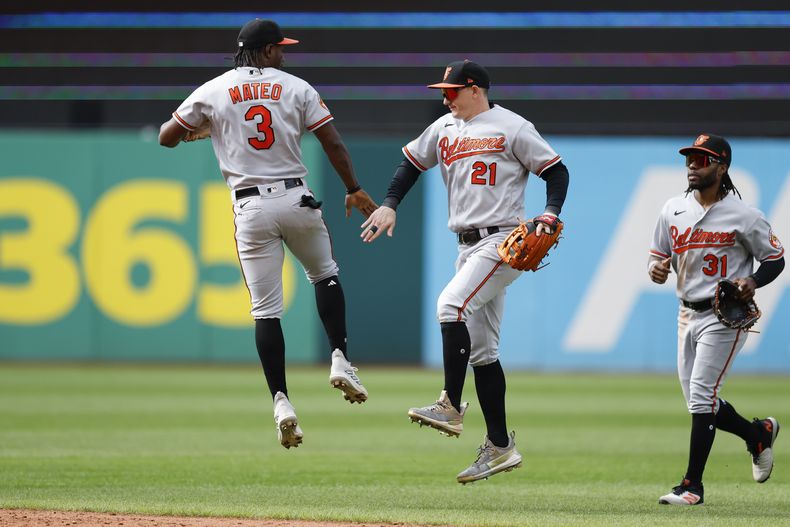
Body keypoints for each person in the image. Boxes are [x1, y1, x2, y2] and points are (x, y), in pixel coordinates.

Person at [159, 18, 378, 450]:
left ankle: (281, 402)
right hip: (296, 198)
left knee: (265, 311)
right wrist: (353, 188)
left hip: (250, 206)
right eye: (279, 47)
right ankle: (340, 358)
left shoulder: (214, 88)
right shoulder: (295, 87)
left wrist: (206, 129)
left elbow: (168, 137)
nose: (284, 53)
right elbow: (333, 143)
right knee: (324, 274)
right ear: (265, 51)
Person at [360, 60, 570, 483]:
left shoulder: (512, 126)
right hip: (467, 244)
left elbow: (556, 170)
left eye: (452, 90)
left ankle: (451, 406)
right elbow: (411, 164)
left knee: (450, 305)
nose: (445, 97)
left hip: (503, 240)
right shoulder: (443, 128)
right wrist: (389, 203)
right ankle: (500, 446)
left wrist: (549, 214)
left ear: (475, 89)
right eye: (443, 90)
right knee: (483, 352)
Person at [648, 133, 785, 505]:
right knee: (700, 401)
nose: (693, 165)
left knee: (701, 397)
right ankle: (757, 434)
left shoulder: (744, 215)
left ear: (722, 167)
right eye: (690, 158)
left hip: (724, 315)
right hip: (685, 313)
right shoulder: (672, 208)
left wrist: (752, 281)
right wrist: (656, 270)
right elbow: (657, 256)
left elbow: (775, 258)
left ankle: (692, 486)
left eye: (703, 159)